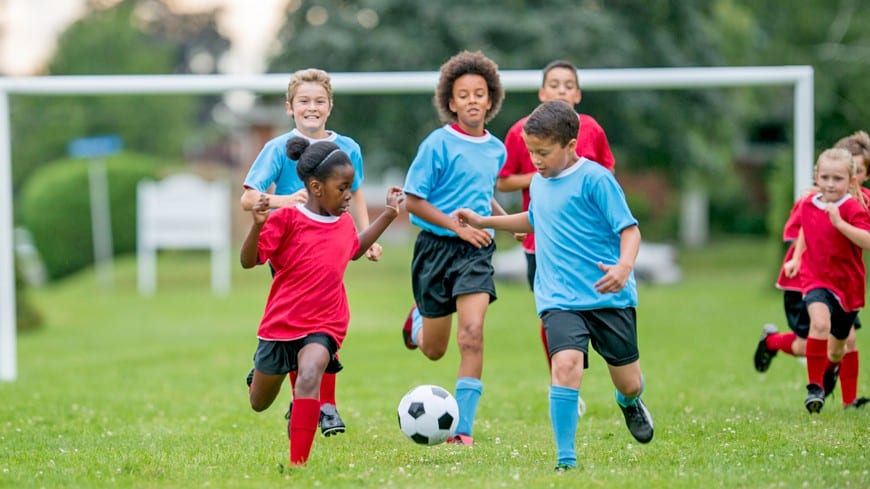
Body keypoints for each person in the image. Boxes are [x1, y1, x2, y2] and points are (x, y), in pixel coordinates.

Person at [456, 100, 653, 471]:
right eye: (531, 152)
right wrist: (484, 220)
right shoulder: (540, 182)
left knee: (629, 383)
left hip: (607, 295)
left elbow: (630, 229)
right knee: (565, 364)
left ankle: (629, 403)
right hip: (558, 297)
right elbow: (534, 218)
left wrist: (624, 266)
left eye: (543, 152)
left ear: (571, 145)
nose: (536, 161)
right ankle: (566, 461)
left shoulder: (596, 180)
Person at [242, 137, 404, 466]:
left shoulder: (343, 222)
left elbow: (354, 249)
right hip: (281, 324)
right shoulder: (286, 219)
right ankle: (261, 374)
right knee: (259, 402)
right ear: (316, 187)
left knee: (310, 372)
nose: (349, 196)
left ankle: (298, 465)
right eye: (342, 188)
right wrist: (257, 228)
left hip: (324, 323)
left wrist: (387, 215)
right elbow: (248, 260)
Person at [241, 68, 380, 436]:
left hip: (332, 239)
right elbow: (248, 197)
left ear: (330, 106)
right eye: (304, 101)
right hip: (290, 245)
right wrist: (284, 200)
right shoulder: (277, 148)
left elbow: (359, 191)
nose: (312, 107)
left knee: (325, 318)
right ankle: (287, 381)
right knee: (299, 323)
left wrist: (367, 235)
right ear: (290, 107)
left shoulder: (348, 147)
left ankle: (324, 405)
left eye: (319, 101)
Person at [496, 59, 616, 417]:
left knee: (598, 311)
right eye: (554, 84)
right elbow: (503, 180)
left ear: (577, 94)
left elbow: (606, 173)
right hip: (541, 242)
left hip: (589, 243)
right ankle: (562, 381)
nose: (562, 90)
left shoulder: (592, 129)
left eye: (568, 85)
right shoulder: (522, 131)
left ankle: (609, 371)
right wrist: (544, 172)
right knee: (554, 312)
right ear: (542, 92)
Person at [399, 50, 507, 446]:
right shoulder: (437, 144)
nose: (473, 100)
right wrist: (455, 227)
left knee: (473, 334)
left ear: (491, 100)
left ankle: (462, 430)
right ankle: (418, 322)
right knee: (433, 351)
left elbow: (482, 194)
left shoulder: (497, 149)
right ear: (450, 102)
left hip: (476, 251)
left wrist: (504, 223)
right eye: (464, 95)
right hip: (435, 250)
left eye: (480, 93)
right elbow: (414, 200)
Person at [755, 131, 870, 409]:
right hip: (810, 279)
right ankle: (822, 389)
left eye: (844, 174)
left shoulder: (859, 203)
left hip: (845, 283)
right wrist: (795, 257)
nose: (831, 183)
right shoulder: (811, 200)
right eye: (826, 177)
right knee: (820, 330)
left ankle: (775, 343)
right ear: (818, 176)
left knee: (833, 345)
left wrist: (841, 224)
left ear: (857, 176)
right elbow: (806, 227)